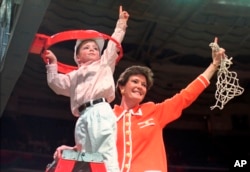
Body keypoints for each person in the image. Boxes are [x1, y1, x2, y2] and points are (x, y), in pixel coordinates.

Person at [53, 37, 225, 172]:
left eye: (144, 85)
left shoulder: (154, 112)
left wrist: (214, 66)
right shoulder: (107, 116)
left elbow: (185, 96)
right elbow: (93, 144)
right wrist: (75, 149)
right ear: (121, 87)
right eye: (135, 81)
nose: (140, 87)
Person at [43, 5, 129, 172]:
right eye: (87, 47)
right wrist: (52, 63)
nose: (92, 49)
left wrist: (121, 23)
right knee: (86, 159)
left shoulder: (104, 64)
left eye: (96, 48)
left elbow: (113, 45)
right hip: (82, 116)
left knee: (105, 153)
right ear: (77, 57)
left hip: (100, 110)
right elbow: (56, 85)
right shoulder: (74, 76)